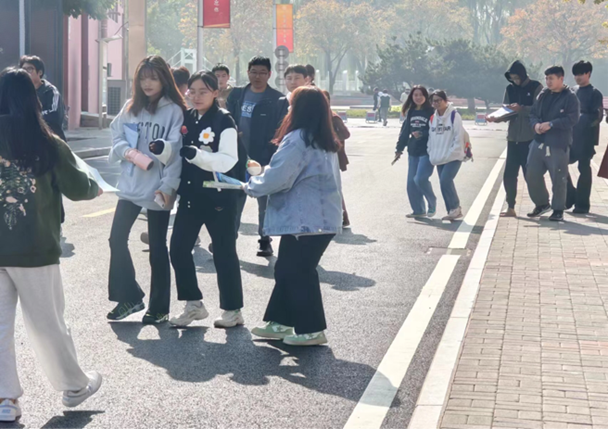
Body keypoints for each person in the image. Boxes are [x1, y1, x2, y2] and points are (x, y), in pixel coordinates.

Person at [0, 68, 102, 422]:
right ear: (33, 100)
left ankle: (5, 399)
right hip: (35, 248)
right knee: (48, 322)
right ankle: (74, 386)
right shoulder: (46, 141)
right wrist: (95, 186)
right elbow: (79, 188)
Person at [245, 86, 342, 346]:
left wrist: (251, 185)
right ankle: (280, 322)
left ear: (298, 109)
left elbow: (279, 177)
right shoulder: (322, 138)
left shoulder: (298, 139)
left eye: (291, 105)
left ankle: (312, 329)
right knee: (287, 269)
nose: (287, 109)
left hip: (305, 219)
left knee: (298, 271)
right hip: (316, 219)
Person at [106, 56, 187, 324]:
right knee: (116, 239)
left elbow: (176, 154)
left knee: (157, 247)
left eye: (153, 78)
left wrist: (168, 187)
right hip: (131, 184)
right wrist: (127, 152)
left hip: (158, 187)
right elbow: (116, 135)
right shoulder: (131, 107)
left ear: (164, 79)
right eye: (142, 78)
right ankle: (129, 297)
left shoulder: (174, 111)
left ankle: (159, 307)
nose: (147, 83)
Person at [165, 72, 247, 329]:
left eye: (203, 91)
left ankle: (233, 310)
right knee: (178, 249)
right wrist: (162, 150)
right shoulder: (187, 117)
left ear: (215, 92)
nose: (197, 96)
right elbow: (176, 152)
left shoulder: (224, 120)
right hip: (191, 196)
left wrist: (197, 156)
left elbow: (228, 160)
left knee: (224, 253)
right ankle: (193, 304)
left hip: (220, 197)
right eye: (192, 91)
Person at [226, 56, 289, 257]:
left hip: (263, 158)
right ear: (248, 73)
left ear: (270, 74)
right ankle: (228, 240)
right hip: (237, 158)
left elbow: (281, 130)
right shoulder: (237, 95)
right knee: (234, 201)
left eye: (262, 72)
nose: (257, 76)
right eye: (254, 72)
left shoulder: (278, 100)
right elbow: (226, 118)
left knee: (264, 202)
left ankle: (264, 240)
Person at [488, 60, 542, 217]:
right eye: (512, 78)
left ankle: (541, 204)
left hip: (529, 138)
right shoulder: (510, 89)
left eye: (517, 77)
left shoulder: (536, 87)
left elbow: (539, 110)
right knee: (509, 174)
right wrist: (496, 118)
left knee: (530, 174)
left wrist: (522, 109)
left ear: (523, 75)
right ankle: (510, 207)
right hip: (513, 138)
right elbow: (506, 110)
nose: (515, 81)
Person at [527, 66, 580, 222]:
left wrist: (552, 124)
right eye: (546, 78)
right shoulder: (543, 94)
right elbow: (533, 113)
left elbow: (572, 119)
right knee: (531, 173)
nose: (548, 81)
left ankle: (558, 209)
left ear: (561, 79)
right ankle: (542, 203)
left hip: (558, 143)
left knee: (558, 177)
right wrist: (535, 125)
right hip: (539, 141)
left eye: (551, 78)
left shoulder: (570, 97)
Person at [566, 61, 604, 214]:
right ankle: (570, 195)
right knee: (559, 165)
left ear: (588, 74)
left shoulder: (595, 93)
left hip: (586, 138)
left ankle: (582, 204)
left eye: (581, 74)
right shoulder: (571, 91)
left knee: (584, 169)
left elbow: (597, 116)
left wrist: (580, 120)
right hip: (569, 136)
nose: (578, 77)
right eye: (575, 74)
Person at [394, 85, 436, 218]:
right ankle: (418, 210)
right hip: (413, 151)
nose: (418, 97)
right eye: (415, 95)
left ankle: (432, 202)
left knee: (420, 179)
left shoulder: (431, 111)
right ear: (411, 97)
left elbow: (436, 130)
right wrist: (399, 149)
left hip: (427, 150)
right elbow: (405, 131)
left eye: (421, 95)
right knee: (411, 184)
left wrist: (422, 133)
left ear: (426, 96)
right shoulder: (411, 112)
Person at [427, 90, 466, 221]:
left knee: (445, 180)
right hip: (439, 157)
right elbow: (431, 138)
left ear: (445, 100)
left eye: (439, 100)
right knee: (443, 183)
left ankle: (455, 207)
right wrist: (431, 151)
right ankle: (452, 211)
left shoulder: (454, 115)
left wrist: (452, 152)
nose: (436, 103)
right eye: (433, 101)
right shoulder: (432, 118)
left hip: (453, 156)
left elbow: (458, 136)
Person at [19, 55, 66, 142]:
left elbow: (54, 115)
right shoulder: (20, 91)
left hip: (50, 139)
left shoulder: (50, 91)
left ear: (40, 72)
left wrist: (31, 117)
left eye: (30, 69)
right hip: (27, 140)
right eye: (23, 70)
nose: (26, 73)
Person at [323, 90, 352, 227]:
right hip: (324, 155)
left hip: (334, 155)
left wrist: (333, 138)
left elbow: (346, 134)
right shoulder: (320, 116)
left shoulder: (333, 117)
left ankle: (343, 218)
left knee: (334, 188)